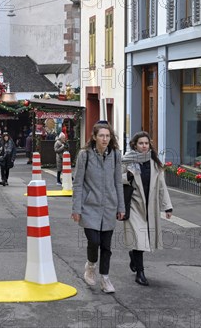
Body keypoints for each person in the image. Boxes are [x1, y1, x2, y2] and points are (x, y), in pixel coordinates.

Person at [71, 121, 125, 294]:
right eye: (101, 135)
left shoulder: (116, 155)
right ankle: (91, 265)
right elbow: (78, 183)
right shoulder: (84, 155)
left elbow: (118, 182)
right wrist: (76, 209)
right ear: (94, 137)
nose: (104, 139)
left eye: (107, 136)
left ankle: (105, 279)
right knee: (94, 241)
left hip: (109, 206)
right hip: (89, 207)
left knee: (107, 246)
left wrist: (121, 207)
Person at [122, 131, 173, 286]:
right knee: (140, 238)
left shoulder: (155, 163)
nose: (144, 146)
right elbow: (115, 177)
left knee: (143, 240)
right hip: (134, 205)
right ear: (134, 145)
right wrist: (127, 177)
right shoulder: (127, 161)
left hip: (150, 207)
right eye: (140, 143)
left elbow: (162, 187)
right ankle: (140, 273)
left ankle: (133, 255)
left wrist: (167, 207)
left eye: (146, 143)